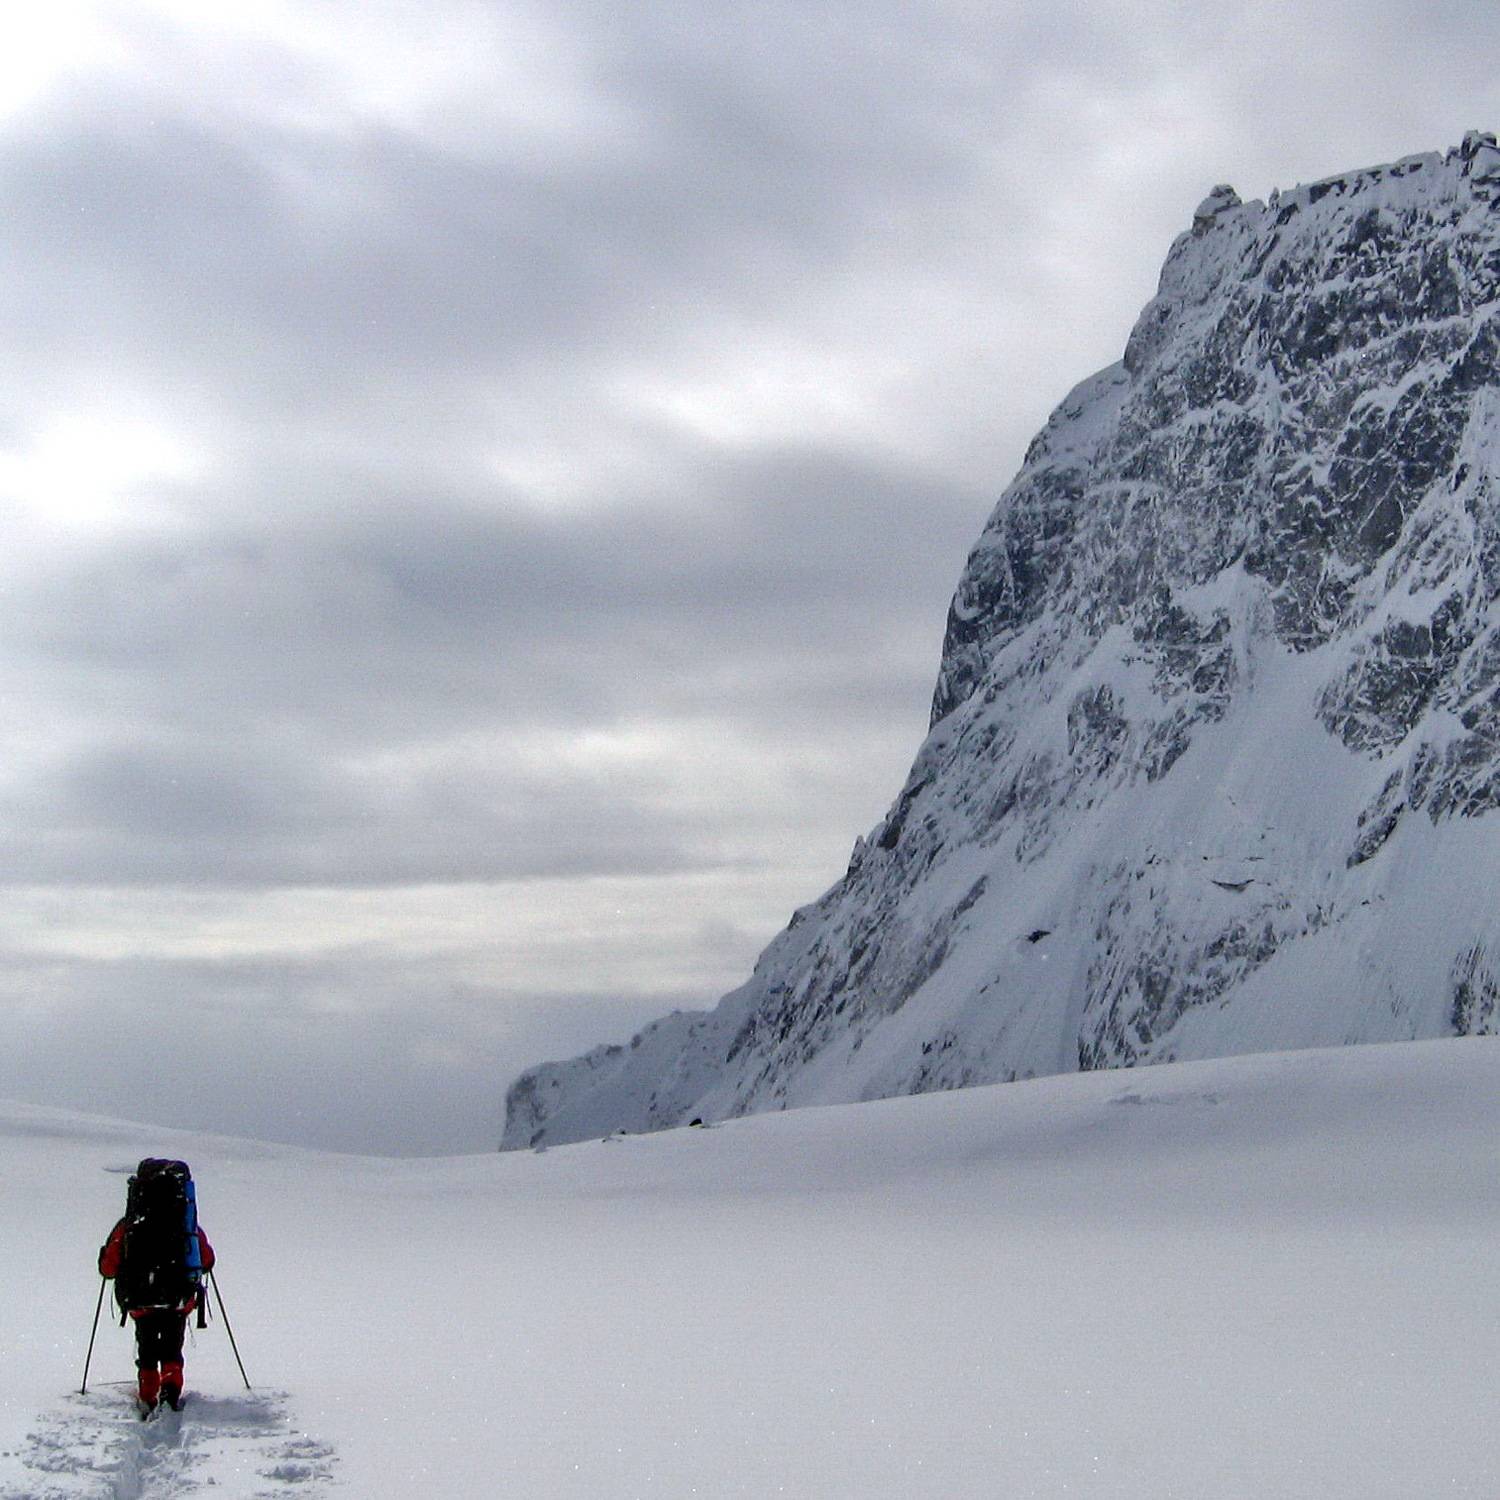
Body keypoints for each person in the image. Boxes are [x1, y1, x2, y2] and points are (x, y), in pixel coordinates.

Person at [98, 1164, 216, 1413]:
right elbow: (206, 1260)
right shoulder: (185, 1222)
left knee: (147, 1350)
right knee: (172, 1349)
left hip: (140, 1299)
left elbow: (108, 1268)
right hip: (177, 1299)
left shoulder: (129, 1224)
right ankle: (170, 1393)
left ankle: (148, 1396)